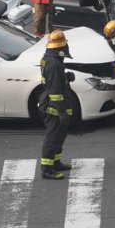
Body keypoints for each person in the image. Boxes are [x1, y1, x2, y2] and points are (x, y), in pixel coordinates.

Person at [39, 29, 73, 180]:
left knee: (60, 135)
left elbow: (51, 81)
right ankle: (47, 169)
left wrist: (65, 77)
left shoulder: (51, 59)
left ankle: (55, 162)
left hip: (56, 103)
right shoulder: (54, 64)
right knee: (53, 137)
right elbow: (54, 92)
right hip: (53, 106)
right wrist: (62, 112)